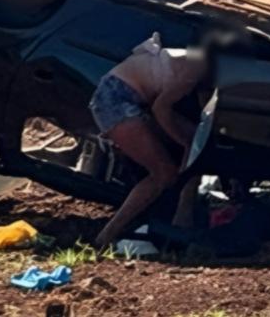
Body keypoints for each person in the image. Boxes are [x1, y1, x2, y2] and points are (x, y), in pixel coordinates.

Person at [88, 32, 206, 248]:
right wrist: (183, 142)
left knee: (198, 137)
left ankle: (182, 215)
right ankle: (104, 238)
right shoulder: (195, 68)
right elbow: (161, 108)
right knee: (164, 172)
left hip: (124, 96)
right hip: (114, 101)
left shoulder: (193, 60)